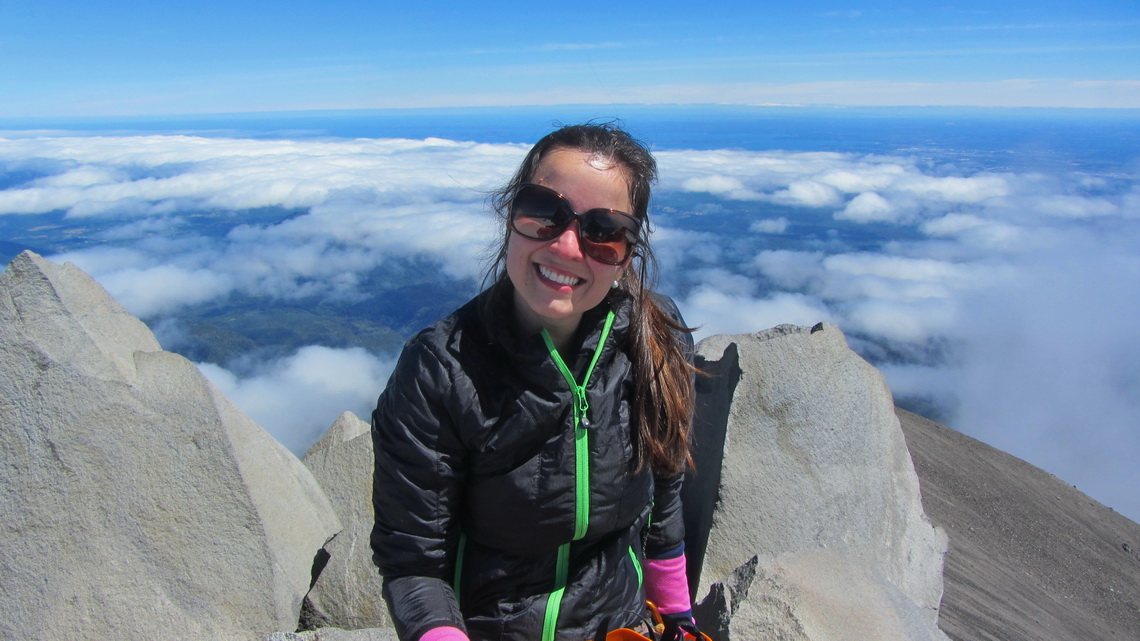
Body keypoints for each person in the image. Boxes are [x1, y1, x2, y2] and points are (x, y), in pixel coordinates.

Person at [371, 123, 703, 641]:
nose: (569, 247)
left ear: (627, 254)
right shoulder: (441, 370)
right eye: (545, 212)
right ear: (511, 216)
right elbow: (415, 560)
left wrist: (678, 618)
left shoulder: (655, 339)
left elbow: (663, 501)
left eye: (603, 230)